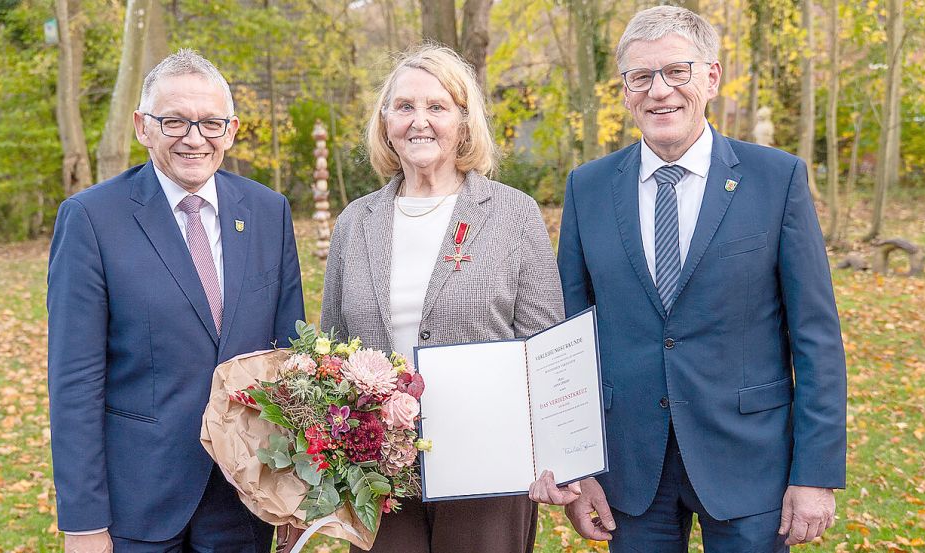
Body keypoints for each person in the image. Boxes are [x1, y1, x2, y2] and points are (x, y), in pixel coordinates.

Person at [529, 6, 847, 552]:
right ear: (625, 91)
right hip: (630, 469)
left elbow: (816, 337)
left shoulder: (777, 179)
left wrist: (815, 473)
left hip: (750, 461)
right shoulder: (588, 188)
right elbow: (569, 340)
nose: (660, 91)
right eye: (641, 77)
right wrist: (577, 466)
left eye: (677, 71)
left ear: (711, 77)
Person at [47, 49, 305, 553]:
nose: (194, 137)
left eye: (210, 123)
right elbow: (74, 382)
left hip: (244, 499)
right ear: (143, 127)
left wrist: (293, 493)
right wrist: (83, 522)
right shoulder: (91, 219)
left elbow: (288, 365)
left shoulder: (268, 212)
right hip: (136, 505)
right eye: (174, 121)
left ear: (231, 130)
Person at [318, 44, 564, 553]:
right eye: (404, 106)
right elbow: (331, 349)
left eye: (437, 106)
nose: (419, 121)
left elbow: (547, 347)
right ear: (385, 122)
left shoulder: (512, 214)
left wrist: (556, 452)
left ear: (464, 121)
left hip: (488, 466)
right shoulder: (355, 222)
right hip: (379, 473)